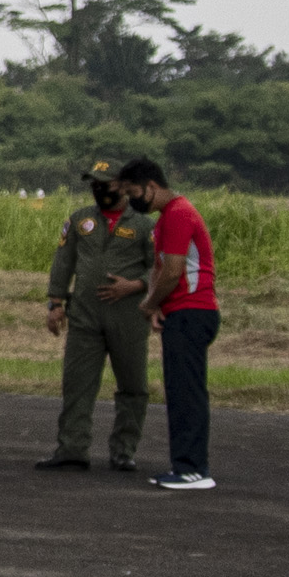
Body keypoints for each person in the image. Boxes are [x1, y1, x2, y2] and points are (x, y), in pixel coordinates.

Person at [37, 159, 154, 473]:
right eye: (94, 183)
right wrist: (55, 303)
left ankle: (123, 451)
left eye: (106, 182)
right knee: (77, 385)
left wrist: (136, 285)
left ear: (122, 184)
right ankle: (72, 449)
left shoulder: (144, 224)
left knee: (133, 385)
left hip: (128, 317)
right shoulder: (79, 220)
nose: (99, 189)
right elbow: (64, 261)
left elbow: (160, 265)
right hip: (85, 317)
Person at [117, 156, 220, 491]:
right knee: (180, 390)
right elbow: (161, 269)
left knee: (187, 392)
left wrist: (149, 304)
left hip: (192, 310)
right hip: (182, 311)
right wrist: (159, 306)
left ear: (152, 186)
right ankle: (187, 465)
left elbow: (173, 271)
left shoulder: (177, 215)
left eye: (134, 192)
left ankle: (193, 469)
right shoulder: (167, 218)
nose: (133, 200)